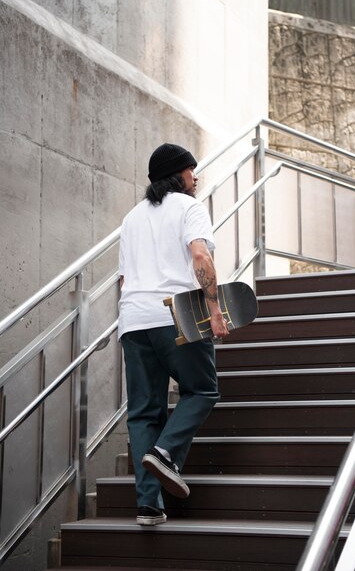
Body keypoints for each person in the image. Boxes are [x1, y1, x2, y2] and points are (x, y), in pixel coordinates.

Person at [118, 143, 229, 527]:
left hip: (133, 321)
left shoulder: (131, 218)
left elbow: (123, 279)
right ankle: (166, 453)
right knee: (202, 390)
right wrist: (216, 310)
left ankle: (149, 505)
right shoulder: (189, 207)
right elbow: (200, 256)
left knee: (143, 412)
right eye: (190, 170)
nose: (195, 177)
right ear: (176, 175)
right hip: (177, 314)